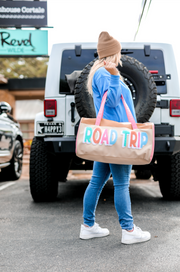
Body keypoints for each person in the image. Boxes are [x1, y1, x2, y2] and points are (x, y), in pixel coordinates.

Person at [79, 31, 151, 244]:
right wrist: (115, 77)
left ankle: (88, 225)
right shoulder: (105, 74)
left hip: (109, 136)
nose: (120, 55)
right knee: (121, 184)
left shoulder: (102, 72)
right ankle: (128, 231)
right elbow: (111, 103)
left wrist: (114, 76)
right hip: (118, 136)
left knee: (96, 182)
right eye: (118, 51)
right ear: (113, 53)